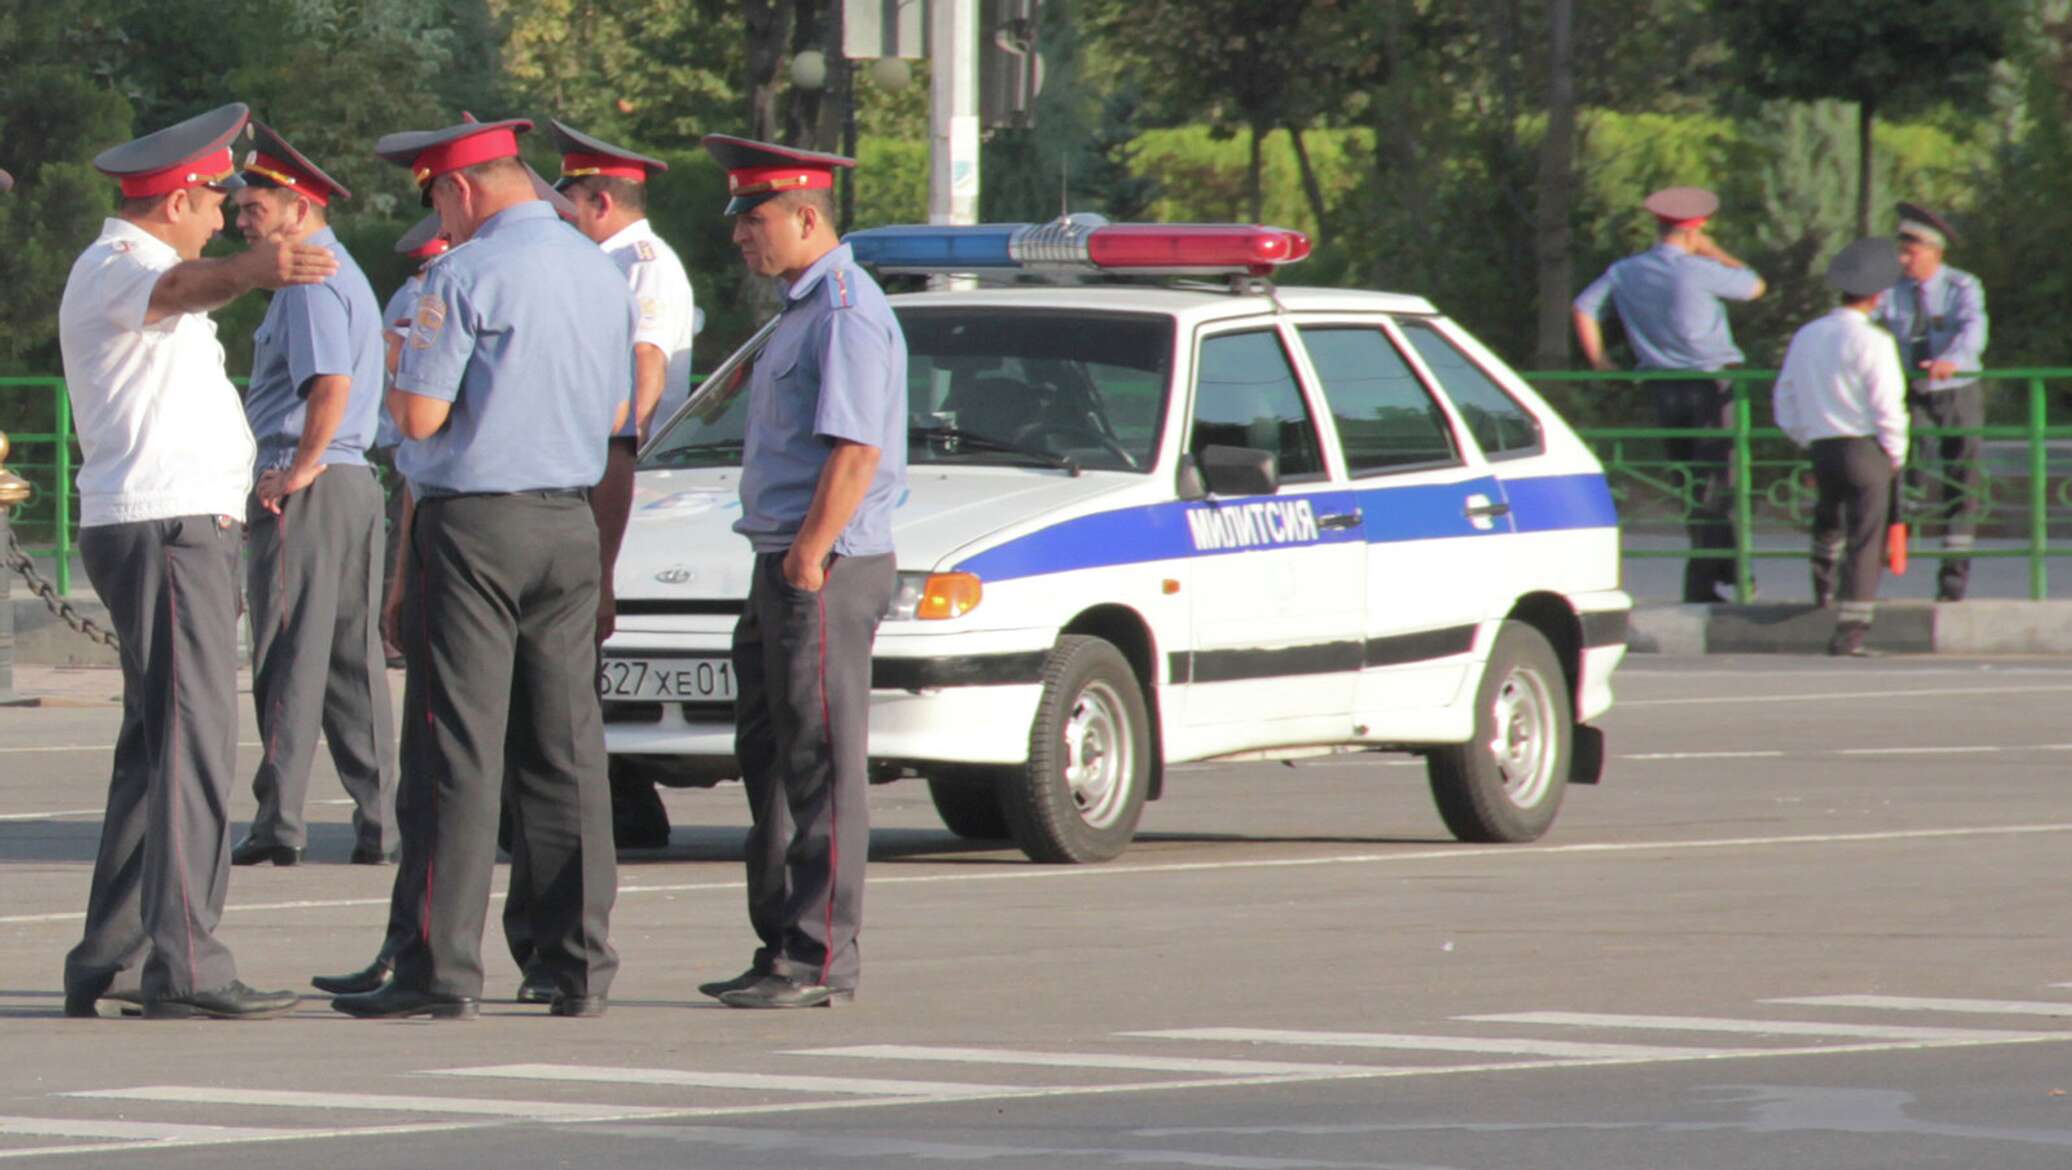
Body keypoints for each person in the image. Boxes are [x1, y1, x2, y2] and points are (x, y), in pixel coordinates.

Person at [327, 117, 635, 1021]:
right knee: (567, 748)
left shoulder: (461, 274)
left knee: (453, 748)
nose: (443, 223)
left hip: (475, 526)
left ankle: (439, 966)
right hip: (569, 524)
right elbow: (620, 403)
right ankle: (575, 962)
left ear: (459, 190)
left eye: (439, 202)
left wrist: (397, 376)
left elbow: (418, 418)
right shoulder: (599, 269)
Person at [57, 102, 331, 1020]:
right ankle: (187, 964)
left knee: (157, 743)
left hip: (169, 526)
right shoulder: (126, 267)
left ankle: (116, 953)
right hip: (170, 531)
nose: (223, 211)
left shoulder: (134, 265)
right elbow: (188, 290)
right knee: (194, 747)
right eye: (215, 197)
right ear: (177, 199)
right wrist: (252, 270)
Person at [694, 134, 907, 1010]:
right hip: (784, 558)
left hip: (825, 563)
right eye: (741, 221)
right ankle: (780, 944)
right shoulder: (800, 308)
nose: (743, 236)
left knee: (820, 762)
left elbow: (856, 450)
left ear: (807, 216)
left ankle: (821, 957)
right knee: (771, 758)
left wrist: (810, 556)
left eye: (756, 220)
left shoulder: (848, 309)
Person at [228, 122, 398, 869]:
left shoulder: (306, 279)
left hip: (314, 483)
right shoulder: (346, 273)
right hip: (355, 483)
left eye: (253, 207)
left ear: (296, 206)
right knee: (351, 662)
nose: (240, 220)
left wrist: (298, 468)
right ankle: (382, 822)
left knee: (288, 653)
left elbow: (331, 384)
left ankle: (279, 821)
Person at [1573, 186, 1767, 603]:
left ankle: (1715, 574)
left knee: (1691, 481)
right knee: (1721, 482)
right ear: (1696, 228)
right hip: (1713, 385)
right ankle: (1724, 573)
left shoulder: (1626, 271)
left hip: (1663, 386)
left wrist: (1601, 360)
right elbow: (1754, 286)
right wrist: (1716, 252)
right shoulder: (1698, 268)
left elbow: (1584, 308)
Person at [546, 118, 698, 645]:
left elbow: (646, 368)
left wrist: (617, 456)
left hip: (614, 478)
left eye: (570, 208)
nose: (563, 221)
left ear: (602, 203)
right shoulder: (604, 261)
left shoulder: (643, 266)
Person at [1773, 239, 1909, 658]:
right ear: (1877, 295)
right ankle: (1851, 630)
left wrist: (1805, 435)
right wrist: (1895, 453)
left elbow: (1785, 397)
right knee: (1866, 537)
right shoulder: (1875, 342)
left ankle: (1823, 591)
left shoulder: (1808, 335)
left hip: (1822, 444)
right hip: (1865, 448)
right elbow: (1888, 404)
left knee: (1828, 519)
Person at [1874, 201, 1988, 602]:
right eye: (1901, 251)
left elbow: (1974, 328)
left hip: (1956, 391)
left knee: (1961, 480)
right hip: (1911, 392)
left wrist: (1951, 360)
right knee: (1907, 471)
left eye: (1912, 251)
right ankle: (1894, 552)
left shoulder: (1961, 286)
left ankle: (1953, 580)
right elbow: (1873, 328)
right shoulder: (1891, 291)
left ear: (1934, 252)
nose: (1904, 259)